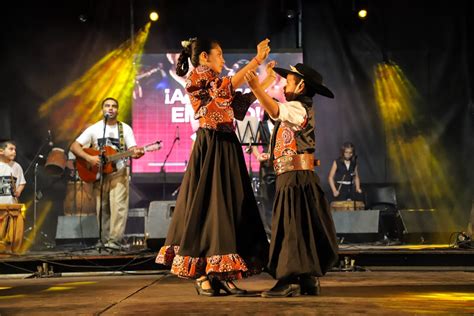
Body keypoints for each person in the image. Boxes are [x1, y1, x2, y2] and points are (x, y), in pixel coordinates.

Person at [155, 37, 272, 296]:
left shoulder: (215, 81)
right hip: (211, 146)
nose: (223, 60)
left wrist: (265, 81)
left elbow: (237, 105)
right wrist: (256, 61)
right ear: (204, 57)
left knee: (227, 207)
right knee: (209, 209)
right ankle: (203, 274)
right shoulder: (197, 77)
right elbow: (226, 89)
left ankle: (220, 273)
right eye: (219, 55)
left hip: (227, 143)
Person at [245, 63, 339, 297]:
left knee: (290, 227)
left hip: (296, 178)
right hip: (295, 176)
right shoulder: (298, 108)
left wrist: (257, 88)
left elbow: (276, 111)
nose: (285, 85)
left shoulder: (299, 107)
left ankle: (288, 279)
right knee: (300, 226)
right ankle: (307, 279)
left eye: (288, 81)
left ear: (301, 85)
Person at [70, 97, 144, 250]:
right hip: (100, 173)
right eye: (107, 106)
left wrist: (136, 153)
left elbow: (132, 149)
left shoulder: (125, 128)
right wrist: (89, 158)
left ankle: (115, 241)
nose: (111, 108)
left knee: (118, 207)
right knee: (102, 208)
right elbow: (74, 146)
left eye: (114, 106)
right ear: (102, 110)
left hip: (120, 171)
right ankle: (104, 241)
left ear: (118, 110)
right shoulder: (94, 129)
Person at [251, 111, 276, 239]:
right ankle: (269, 233)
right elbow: (254, 145)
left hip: (280, 164)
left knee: (281, 200)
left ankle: (280, 232)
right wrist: (258, 156)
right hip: (267, 166)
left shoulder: (282, 124)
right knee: (267, 200)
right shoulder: (262, 125)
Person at [0, 140, 26, 204]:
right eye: (11, 149)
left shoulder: (16, 166)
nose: (14, 152)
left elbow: (22, 182)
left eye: (15, 150)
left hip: (12, 206)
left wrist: (18, 191)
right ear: (1, 151)